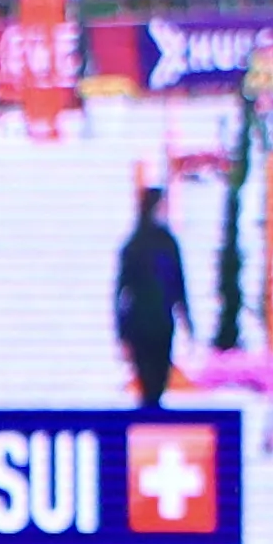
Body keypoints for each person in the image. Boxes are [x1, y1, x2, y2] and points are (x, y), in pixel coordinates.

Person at [111, 171, 191, 412]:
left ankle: (154, 409)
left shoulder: (166, 243)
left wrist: (185, 316)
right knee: (147, 375)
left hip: (160, 320)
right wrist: (121, 327)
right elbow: (121, 289)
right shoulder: (135, 245)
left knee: (159, 372)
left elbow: (178, 282)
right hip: (142, 321)